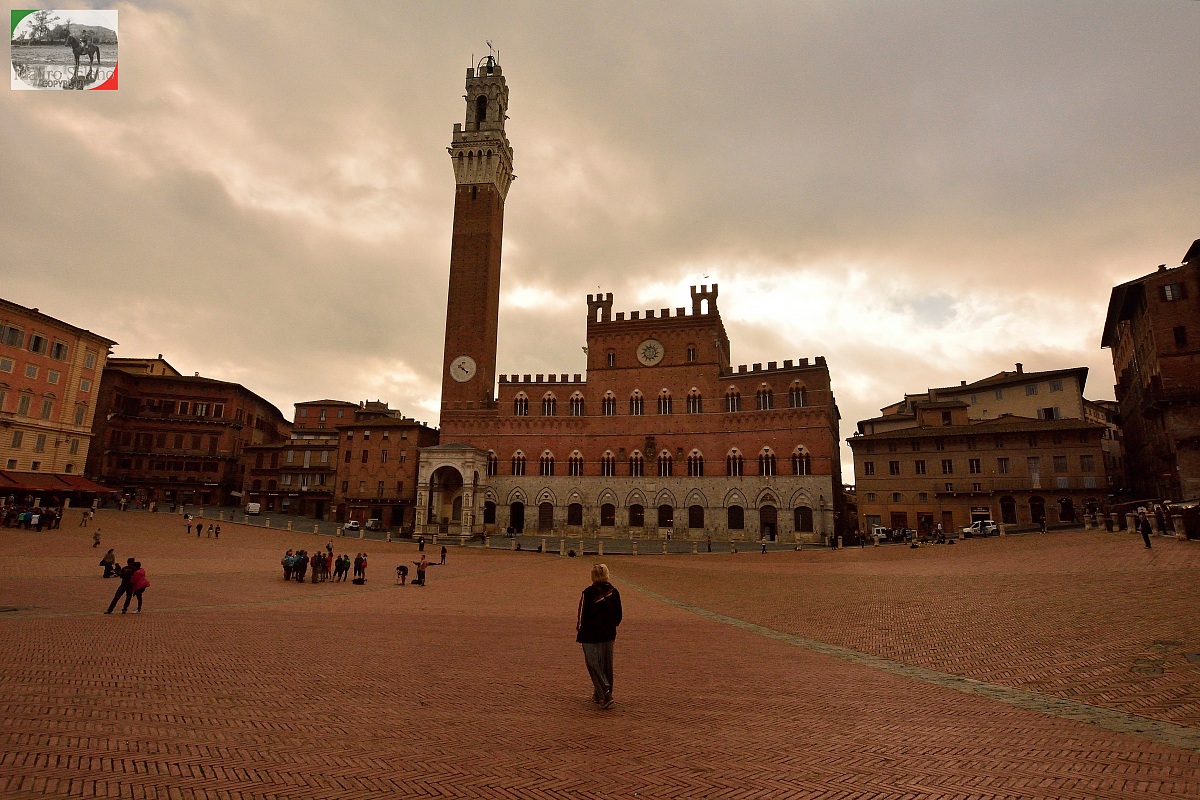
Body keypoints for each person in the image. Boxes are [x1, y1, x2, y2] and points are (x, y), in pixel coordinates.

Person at [576, 563, 622, 710]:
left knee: (594, 664)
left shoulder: (588, 593)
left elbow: (582, 615)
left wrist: (581, 630)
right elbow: (618, 616)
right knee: (607, 665)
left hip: (591, 634)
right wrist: (610, 625)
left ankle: (605, 693)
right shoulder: (614, 592)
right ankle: (599, 693)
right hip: (609, 633)